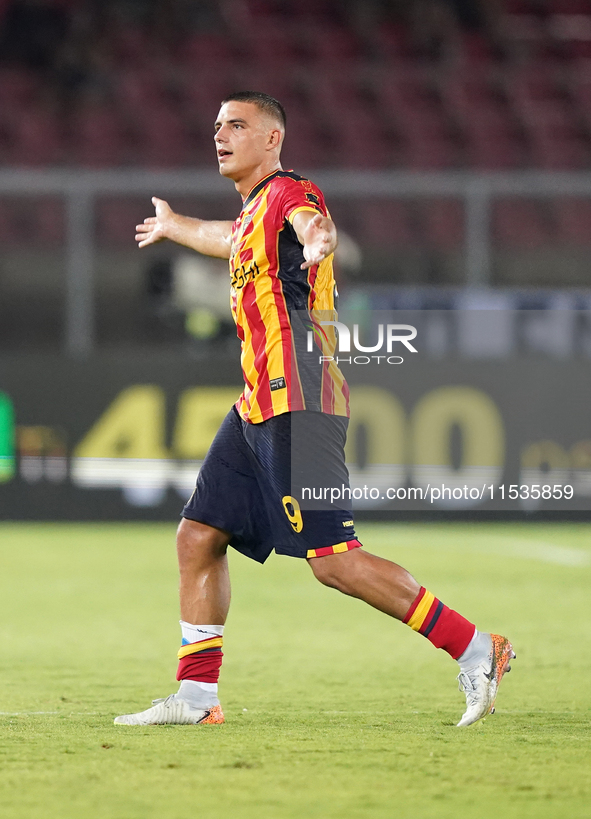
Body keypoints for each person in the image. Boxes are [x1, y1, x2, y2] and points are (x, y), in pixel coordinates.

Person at [114, 91, 514, 728]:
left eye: (237, 125)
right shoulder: (251, 217)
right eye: (217, 125)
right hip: (256, 406)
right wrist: (174, 225)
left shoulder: (289, 193)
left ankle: (474, 647)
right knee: (198, 536)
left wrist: (319, 238)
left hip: (301, 401)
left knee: (335, 563)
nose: (221, 135)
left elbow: (311, 221)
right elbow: (226, 239)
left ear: (271, 139)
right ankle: (196, 698)